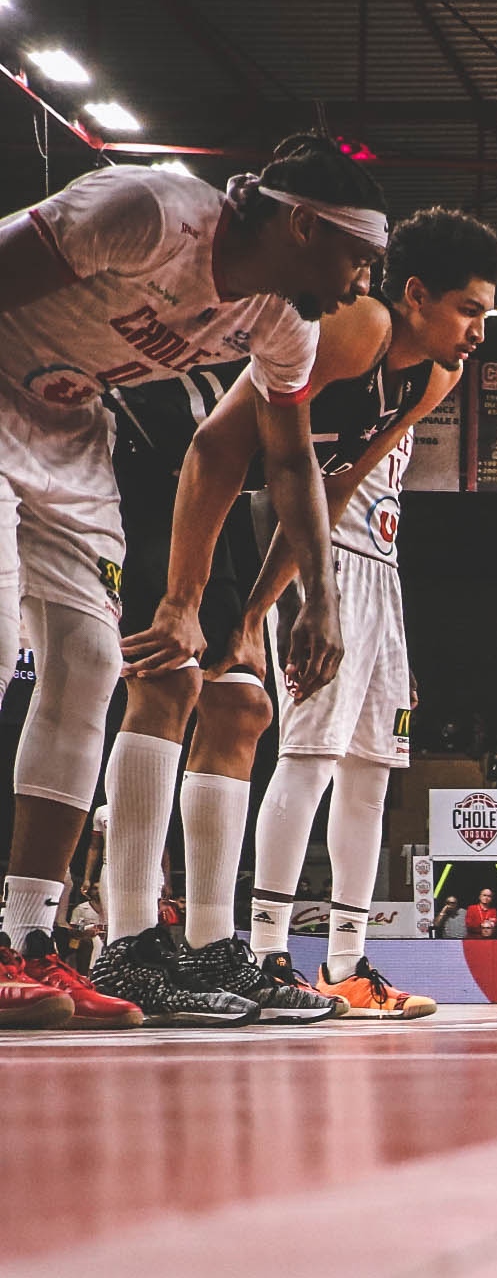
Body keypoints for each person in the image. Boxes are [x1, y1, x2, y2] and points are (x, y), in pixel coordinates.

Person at [0, 135, 388, 1027]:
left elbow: (290, 464)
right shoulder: (149, 212)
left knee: (91, 667)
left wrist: (321, 600)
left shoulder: (283, 321)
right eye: (358, 260)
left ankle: (25, 940)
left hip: (67, 427)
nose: (360, 285)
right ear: (301, 225)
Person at [226, 206, 497, 1022]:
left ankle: (348, 964)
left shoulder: (437, 377)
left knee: (372, 774)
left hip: (377, 575)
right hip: (319, 565)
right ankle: (271, 951)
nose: (480, 331)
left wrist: (386, 627)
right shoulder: (359, 334)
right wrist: (277, 603)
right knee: (307, 759)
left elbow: (352, 482)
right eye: (469, 310)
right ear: (415, 295)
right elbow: (291, 470)